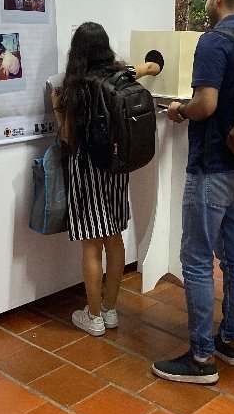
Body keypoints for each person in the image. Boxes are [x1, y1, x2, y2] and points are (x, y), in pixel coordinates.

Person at [152, 0, 234, 385]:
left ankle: (199, 358)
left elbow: (206, 103)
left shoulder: (213, 42)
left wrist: (180, 109)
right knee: (233, 255)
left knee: (195, 260)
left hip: (211, 165)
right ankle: (230, 341)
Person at [51, 22, 161, 336]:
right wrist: (153, 65)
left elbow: (69, 138)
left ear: (77, 52)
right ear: (105, 47)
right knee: (114, 241)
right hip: (115, 169)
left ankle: (93, 317)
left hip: (86, 171)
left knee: (91, 245)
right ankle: (111, 311)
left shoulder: (75, 87)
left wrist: (57, 110)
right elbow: (148, 67)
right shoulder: (120, 75)